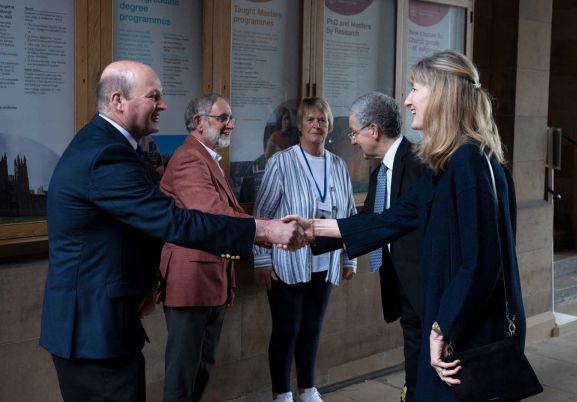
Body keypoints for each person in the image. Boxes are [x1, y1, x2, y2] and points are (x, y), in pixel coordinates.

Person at [40, 60, 303, 402]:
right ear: (118, 100)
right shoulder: (105, 155)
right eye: (154, 96)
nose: (163, 105)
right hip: (92, 331)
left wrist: (150, 282)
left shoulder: (113, 146)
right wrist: (265, 230)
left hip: (105, 322)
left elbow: (135, 226)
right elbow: (174, 221)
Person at [289, 51, 526, 402]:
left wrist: (440, 328)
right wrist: (311, 229)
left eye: (415, 89)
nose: (407, 100)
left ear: (442, 95)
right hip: (453, 326)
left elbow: (481, 263)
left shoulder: (469, 164)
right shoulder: (447, 163)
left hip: (466, 335)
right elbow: (391, 219)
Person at [253, 97, 357, 402]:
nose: (317, 125)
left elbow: (349, 216)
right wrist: (261, 260)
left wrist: (349, 259)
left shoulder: (337, 164)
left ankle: (308, 388)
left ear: (329, 126)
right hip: (287, 260)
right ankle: (282, 393)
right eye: (310, 119)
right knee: (288, 329)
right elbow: (263, 213)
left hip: (326, 261)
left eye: (322, 120)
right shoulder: (282, 162)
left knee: (312, 327)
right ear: (300, 125)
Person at [158, 94, 251, 402]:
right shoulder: (188, 158)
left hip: (213, 283)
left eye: (231, 119)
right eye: (222, 118)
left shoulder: (206, 157)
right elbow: (211, 214)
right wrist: (266, 229)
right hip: (191, 284)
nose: (230, 125)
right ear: (198, 122)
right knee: (183, 374)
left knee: (202, 368)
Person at [347, 91, 426, 402]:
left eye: (354, 132)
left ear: (373, 130)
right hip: (401, 288)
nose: (352, 140)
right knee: (415, 363)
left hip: (423, 290)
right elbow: (371, 219)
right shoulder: (382, 171)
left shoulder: (419, 164)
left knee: (427, 370)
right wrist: (314, 235)